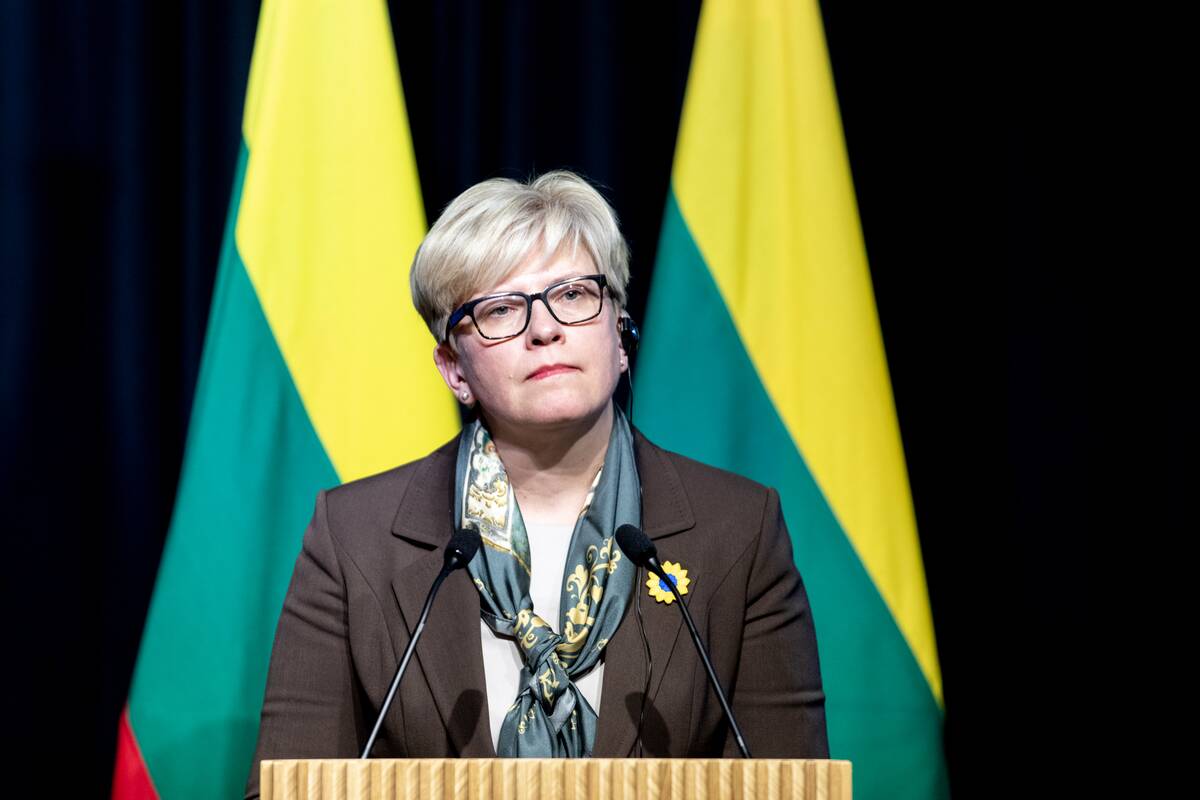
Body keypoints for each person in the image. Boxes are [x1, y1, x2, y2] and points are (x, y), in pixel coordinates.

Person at [244, 171, 828, 799]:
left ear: (620, 333)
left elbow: (788, 786)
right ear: (454, 369)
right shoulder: (354, 537)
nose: (544, 329)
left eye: (573, 295)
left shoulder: (738, 529)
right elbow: (288, 789)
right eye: (500, 309)